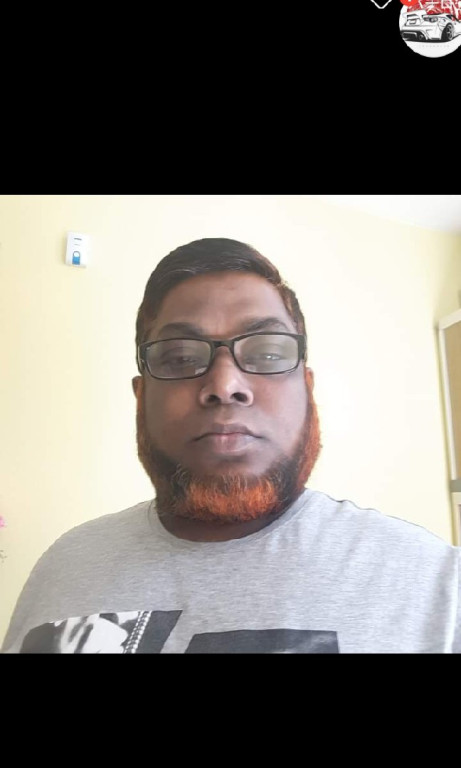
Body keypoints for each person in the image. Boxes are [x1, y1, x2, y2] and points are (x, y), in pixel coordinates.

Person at [2, 237, 460, 653]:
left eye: (267, 354)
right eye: (181, 357)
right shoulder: (64, 567)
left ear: (307, 388)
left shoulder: (437, 585)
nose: (224, 385)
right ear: (141, 397)